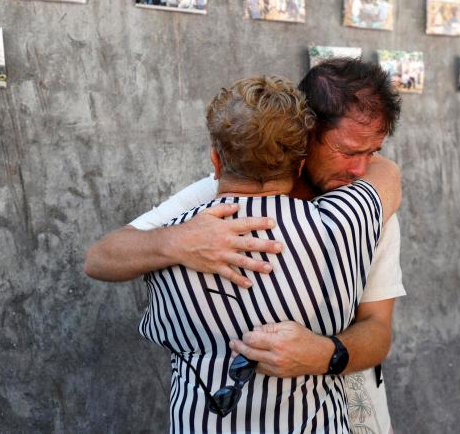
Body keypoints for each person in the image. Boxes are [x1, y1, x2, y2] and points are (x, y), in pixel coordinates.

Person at [86, 58, 405, 433]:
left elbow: (378, 329)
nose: (360, 169)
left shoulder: (368, 209)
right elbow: (100, 258)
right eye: (348, 151)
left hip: (352, 414)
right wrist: (177, 240)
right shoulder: (212, 199)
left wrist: (324, 353)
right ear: (305, 137)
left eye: (373, 152)